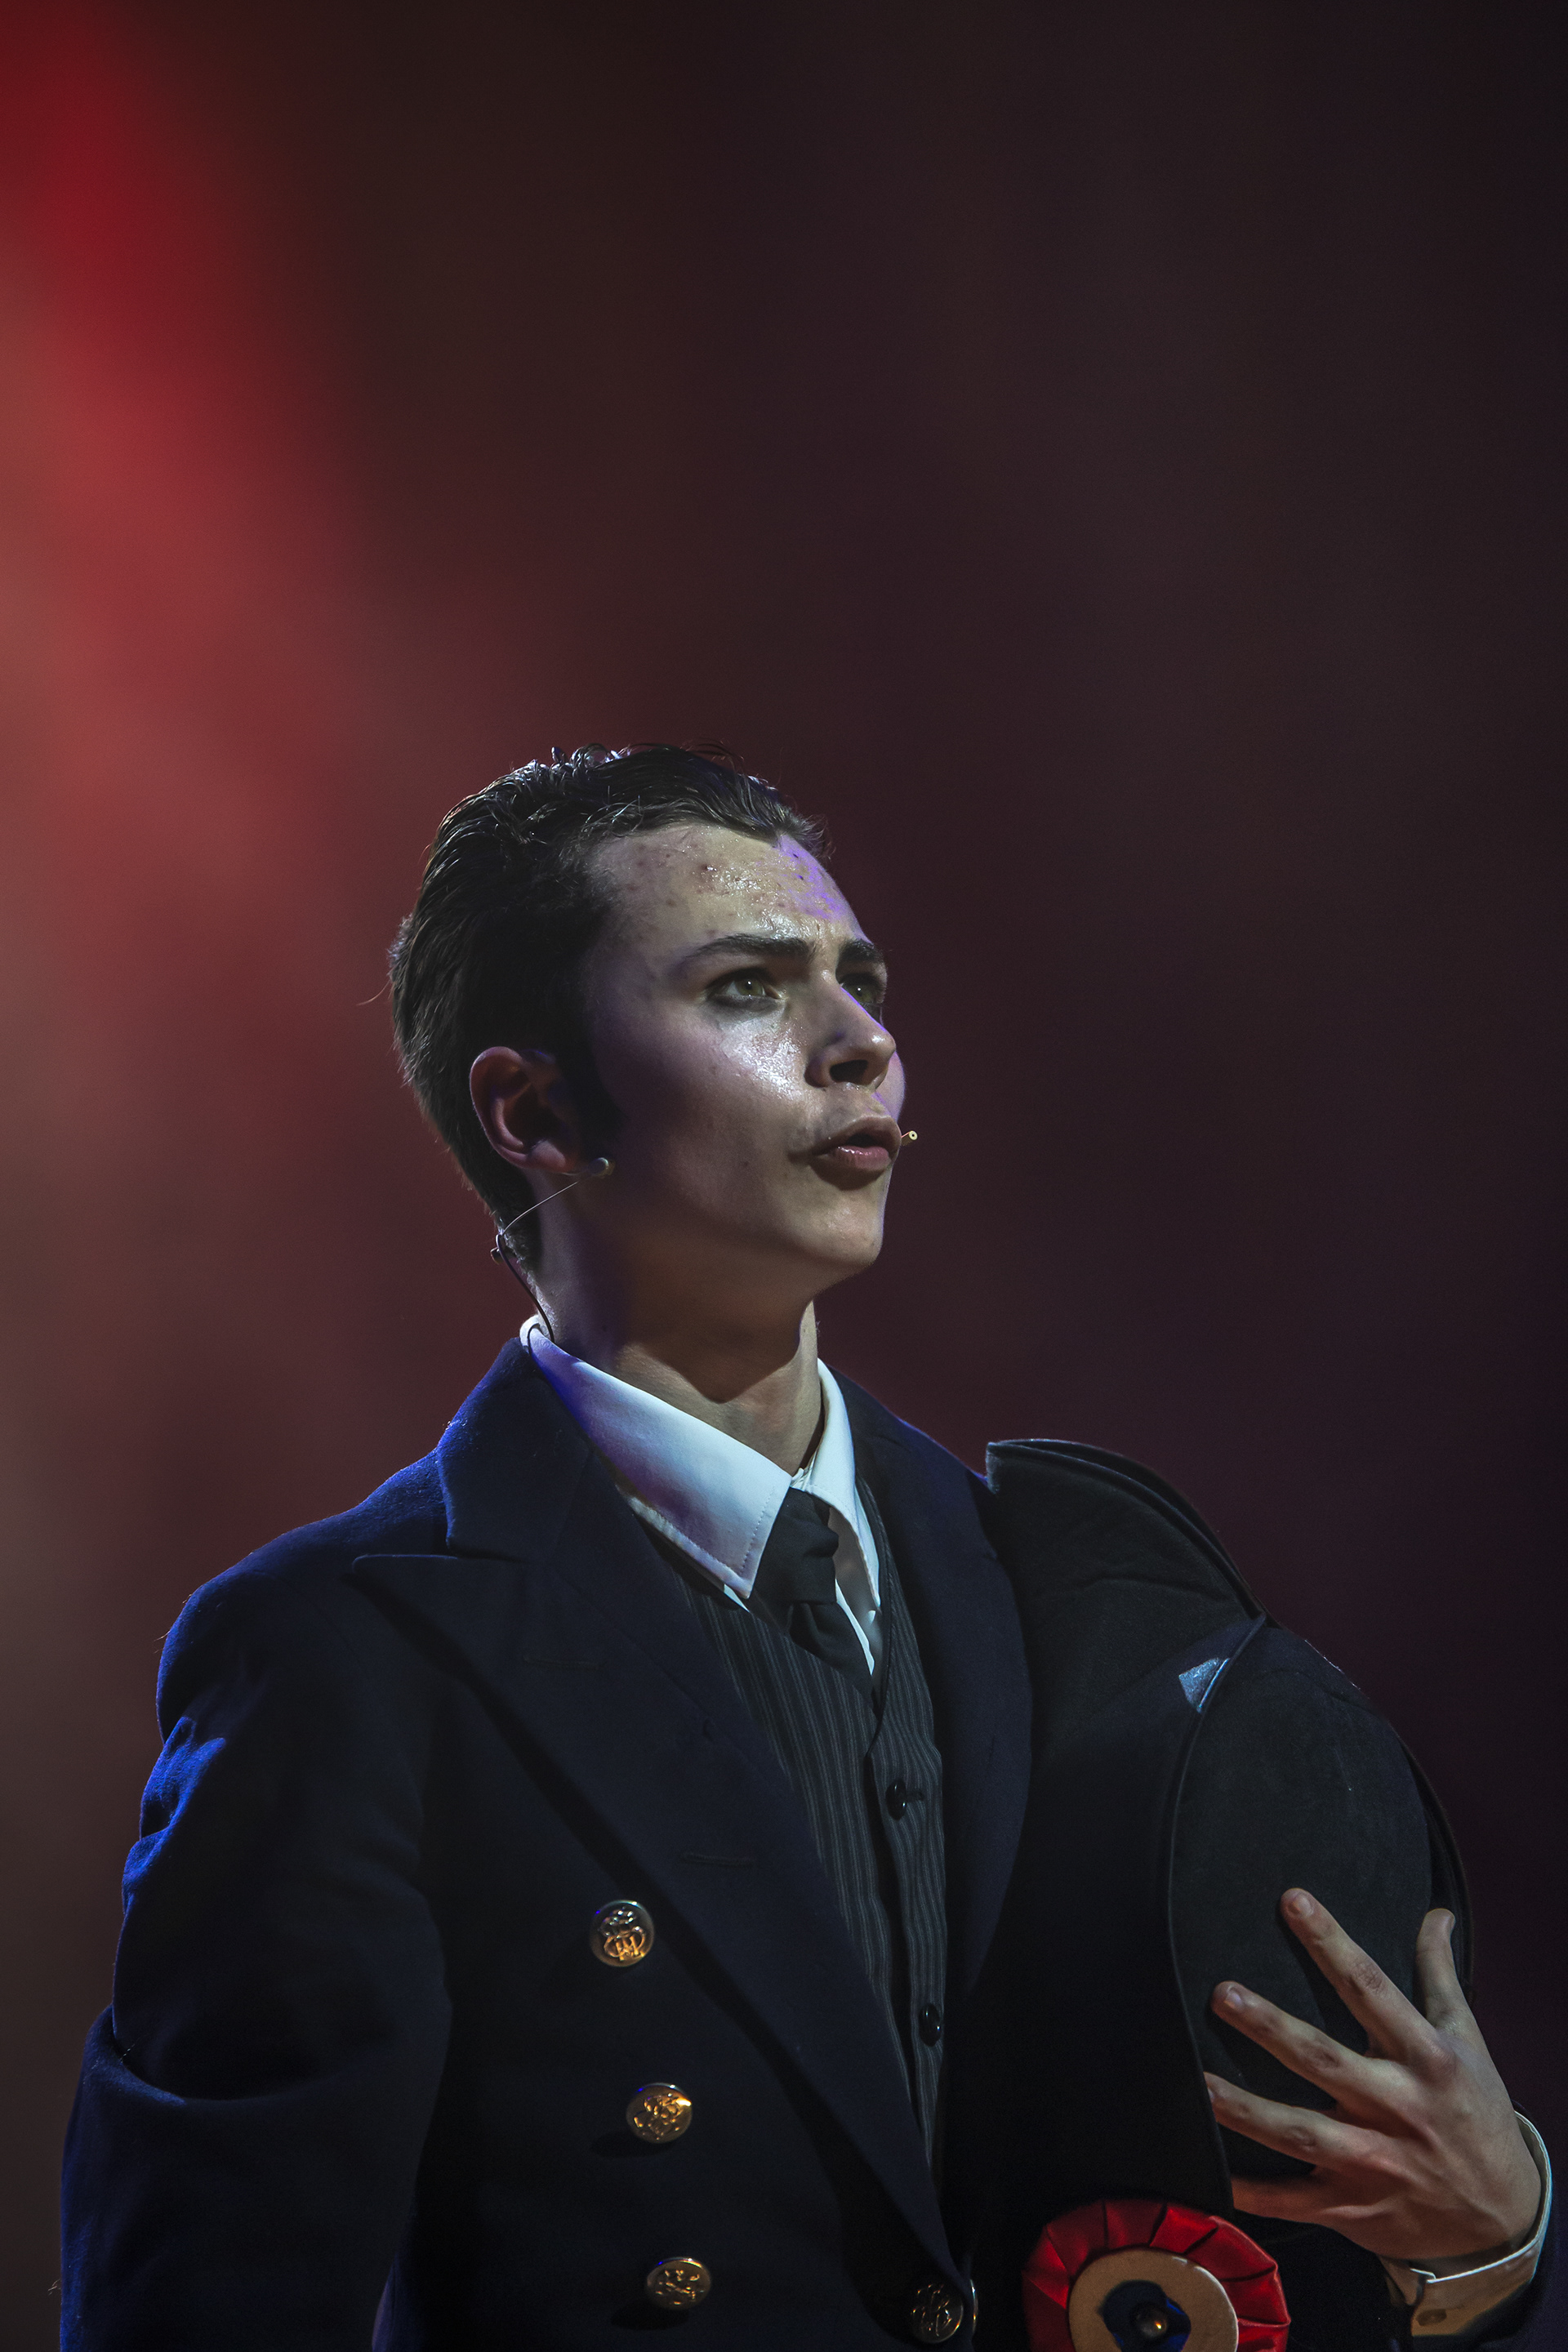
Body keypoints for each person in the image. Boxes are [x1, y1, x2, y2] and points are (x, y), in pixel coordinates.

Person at [61, 745, 1555, 2349]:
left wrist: (1494, 2241)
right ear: (536, 1110)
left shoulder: (1058, 1588)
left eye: (862, 981)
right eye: (748, 988)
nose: (864, 1045)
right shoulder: (344, 1653)